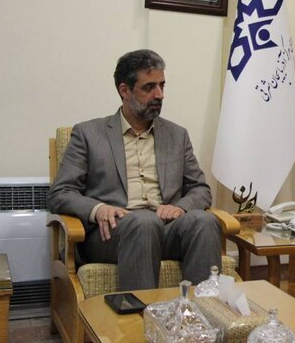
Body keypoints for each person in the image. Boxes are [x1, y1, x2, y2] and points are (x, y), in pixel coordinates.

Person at [47, 49, 221, 291]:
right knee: (143, 222)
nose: (159, 94)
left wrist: (181, 207)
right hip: (113, 235)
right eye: (149, 87)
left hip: (167, 229)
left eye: (162, 85)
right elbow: (60, 193)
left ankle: (204, 311)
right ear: (124, 90)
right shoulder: (89, 134)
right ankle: (139, 313)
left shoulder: (176, 135)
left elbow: (200, 189)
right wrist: (98, 209)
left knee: (204, 221)